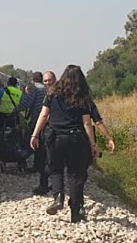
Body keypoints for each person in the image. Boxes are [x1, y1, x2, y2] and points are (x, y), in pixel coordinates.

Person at [30, 65, 99, 223]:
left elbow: (44, 114)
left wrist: (35, 134)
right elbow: (87, 123)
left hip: (55, 138)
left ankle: (58, 198)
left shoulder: (52, 93)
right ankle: (75, 213)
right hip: (76, 139)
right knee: (74, 175)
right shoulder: (81, 96)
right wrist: (93, 144)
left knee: (55, 170)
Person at [13, 71, 51, 194]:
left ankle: (24, 162)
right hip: (49, 123)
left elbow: (27, 104)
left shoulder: (35, 90)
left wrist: (15, 110)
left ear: (33, 80)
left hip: (36, 121)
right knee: (42, 146)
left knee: (29, 142)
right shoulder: (48, 90)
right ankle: (39, 165)